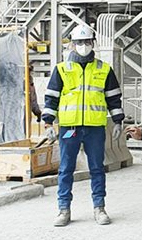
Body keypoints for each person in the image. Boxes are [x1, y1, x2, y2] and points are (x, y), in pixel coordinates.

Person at [43, 23, 124, 227]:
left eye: (86, 42)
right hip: (69, 128)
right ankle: (64, 210)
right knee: (66, 169)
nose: (83, 45)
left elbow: (113, 97)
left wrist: (118, 121)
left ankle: (99, 207)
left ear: (93, 43)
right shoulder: (61, 69)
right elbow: (51, 97)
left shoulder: (104, 69)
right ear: (72, 44)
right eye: (79, 42)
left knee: (97, 168)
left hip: (94, 128)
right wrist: (48, 123)